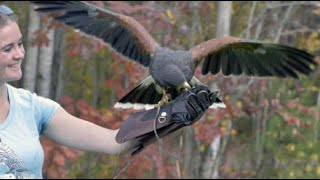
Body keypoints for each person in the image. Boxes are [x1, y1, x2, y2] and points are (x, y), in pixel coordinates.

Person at [0, 4, 219, 179]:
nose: (19, 54)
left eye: (20, 44)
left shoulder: (33, 108)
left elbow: (114, 142)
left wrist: (168, 117)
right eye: (8, 49)